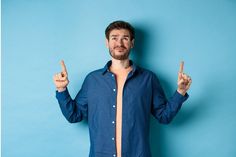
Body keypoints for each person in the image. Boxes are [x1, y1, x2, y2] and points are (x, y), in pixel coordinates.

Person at [53, 20, 192, 157]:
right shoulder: (92, 80)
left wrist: (181, 92)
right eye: (114, 38)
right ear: (107, 42)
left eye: (125, 38)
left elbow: (164, 116)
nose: (119, 43)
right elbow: (74, 116)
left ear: (132, 43)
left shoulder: (148, 79)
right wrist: (61, 90)